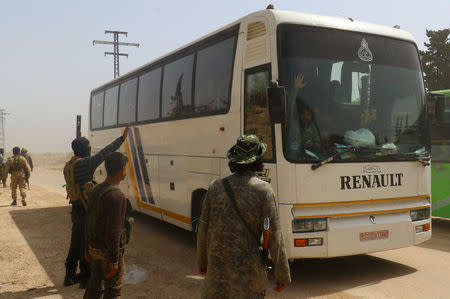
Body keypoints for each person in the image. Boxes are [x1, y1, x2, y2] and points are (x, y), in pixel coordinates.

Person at [197, 135, 291, 298]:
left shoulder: (215, 187)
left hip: (216, 277)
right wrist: (281, 274)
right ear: (258, 160)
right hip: (249, 280)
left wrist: (202, 262)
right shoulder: (264, 191)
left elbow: (203, 227)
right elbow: (274, 235)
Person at [63, 124, 129, 289]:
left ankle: (69, 275)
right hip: (86, 209)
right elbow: (105, 152)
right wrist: (122, 138)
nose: (90, 150)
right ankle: (85, 278)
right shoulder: (85, 164)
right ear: (84, 150)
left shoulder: (69, 165)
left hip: (76, 208)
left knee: (75, 242)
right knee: (87, 243)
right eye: (89, 148)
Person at [83, 152, 132, 299]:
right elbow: (114, 233)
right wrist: (114, 260)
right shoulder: (117, 196)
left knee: (94, 285)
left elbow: (88, 222)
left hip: (94, 248)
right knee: (113, 289)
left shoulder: (95, 190)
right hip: (107, 252)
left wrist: (87, 248)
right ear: (122, 169)